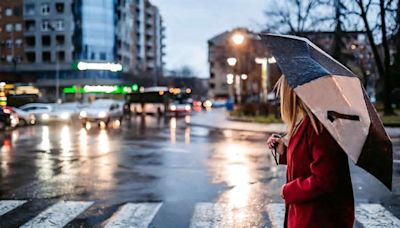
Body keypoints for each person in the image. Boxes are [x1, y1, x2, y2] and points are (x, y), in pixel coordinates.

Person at [267, 76, 355, 228]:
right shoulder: (307, 123)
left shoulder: (319, 127)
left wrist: (289, 190)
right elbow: (308, 160)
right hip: (307, 216)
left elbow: (325, 180)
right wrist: (284, 150)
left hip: (316, 219)